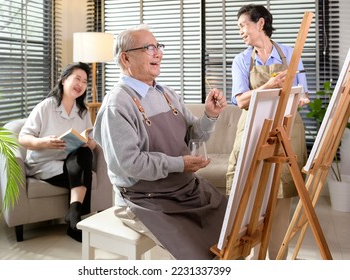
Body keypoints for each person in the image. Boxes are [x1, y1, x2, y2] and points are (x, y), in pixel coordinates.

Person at [93, 24, 228, 260]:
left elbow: (195, 135)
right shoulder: (117, 104)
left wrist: (210, 115)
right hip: (144, 199)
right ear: (126, 58)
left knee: (232, 231)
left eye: (158, 47)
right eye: (149, 48)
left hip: (185, 189)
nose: (158, 53)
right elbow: (130, 164)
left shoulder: (167, 93)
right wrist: (179, 164)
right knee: (201, 255)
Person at [226, 4, 310, 259]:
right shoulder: (241, 60)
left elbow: (303, 95)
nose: (240, 31)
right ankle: (249, 254)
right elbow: (241, 101)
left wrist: (298, 98)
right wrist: (272, 85)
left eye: (243, 25)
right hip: (253, 131)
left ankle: (276, 259)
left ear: (260, 23)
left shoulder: (290, 54)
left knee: (282, 193)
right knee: (249, 191)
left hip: (285, 132)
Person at [18, 62, 97, 242]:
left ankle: (74, 216)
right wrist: (44, 142)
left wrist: (88, 143)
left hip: (70, 161)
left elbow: (92, 142)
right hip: (44, 164)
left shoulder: (83, 112)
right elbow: (23, 138)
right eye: (77, 78)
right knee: (85, 173)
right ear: (63, 80)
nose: (81, 84)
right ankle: (75, 221)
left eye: (85, 81)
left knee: (85, 154)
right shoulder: (46, 106)